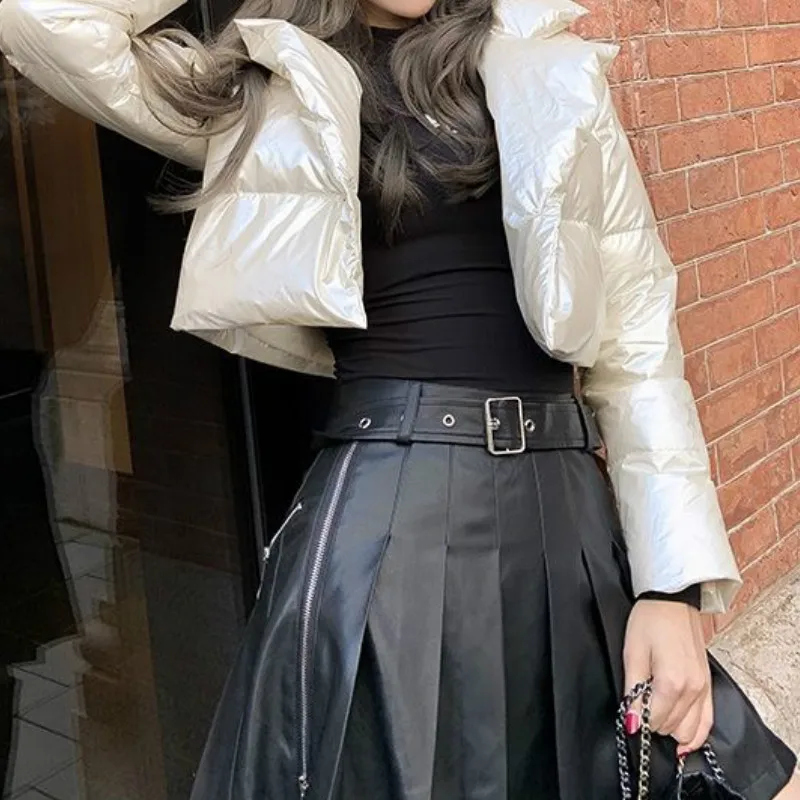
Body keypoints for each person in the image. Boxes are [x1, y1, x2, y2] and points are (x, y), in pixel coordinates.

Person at [0, 0, 796, 796]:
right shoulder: (272, 87)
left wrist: (669, 586)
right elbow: (40, 18)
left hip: (566, 509)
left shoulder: (548, 68)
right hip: (385, 521)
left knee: (734, 772)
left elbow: (638, 346)